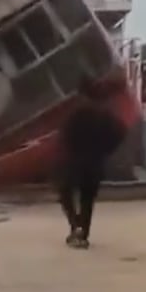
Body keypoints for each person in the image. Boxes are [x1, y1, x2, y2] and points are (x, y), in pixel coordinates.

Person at [56, 80, 127, 249]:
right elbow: (121, 131)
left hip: (75, 162)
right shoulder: (104, 116)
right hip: (95, 163)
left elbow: (64, 137)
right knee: (87, 200)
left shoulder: (76, 114)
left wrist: (69, 151)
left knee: (65, 193)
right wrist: (106, 150)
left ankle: (76, 226)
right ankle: (83, 233)